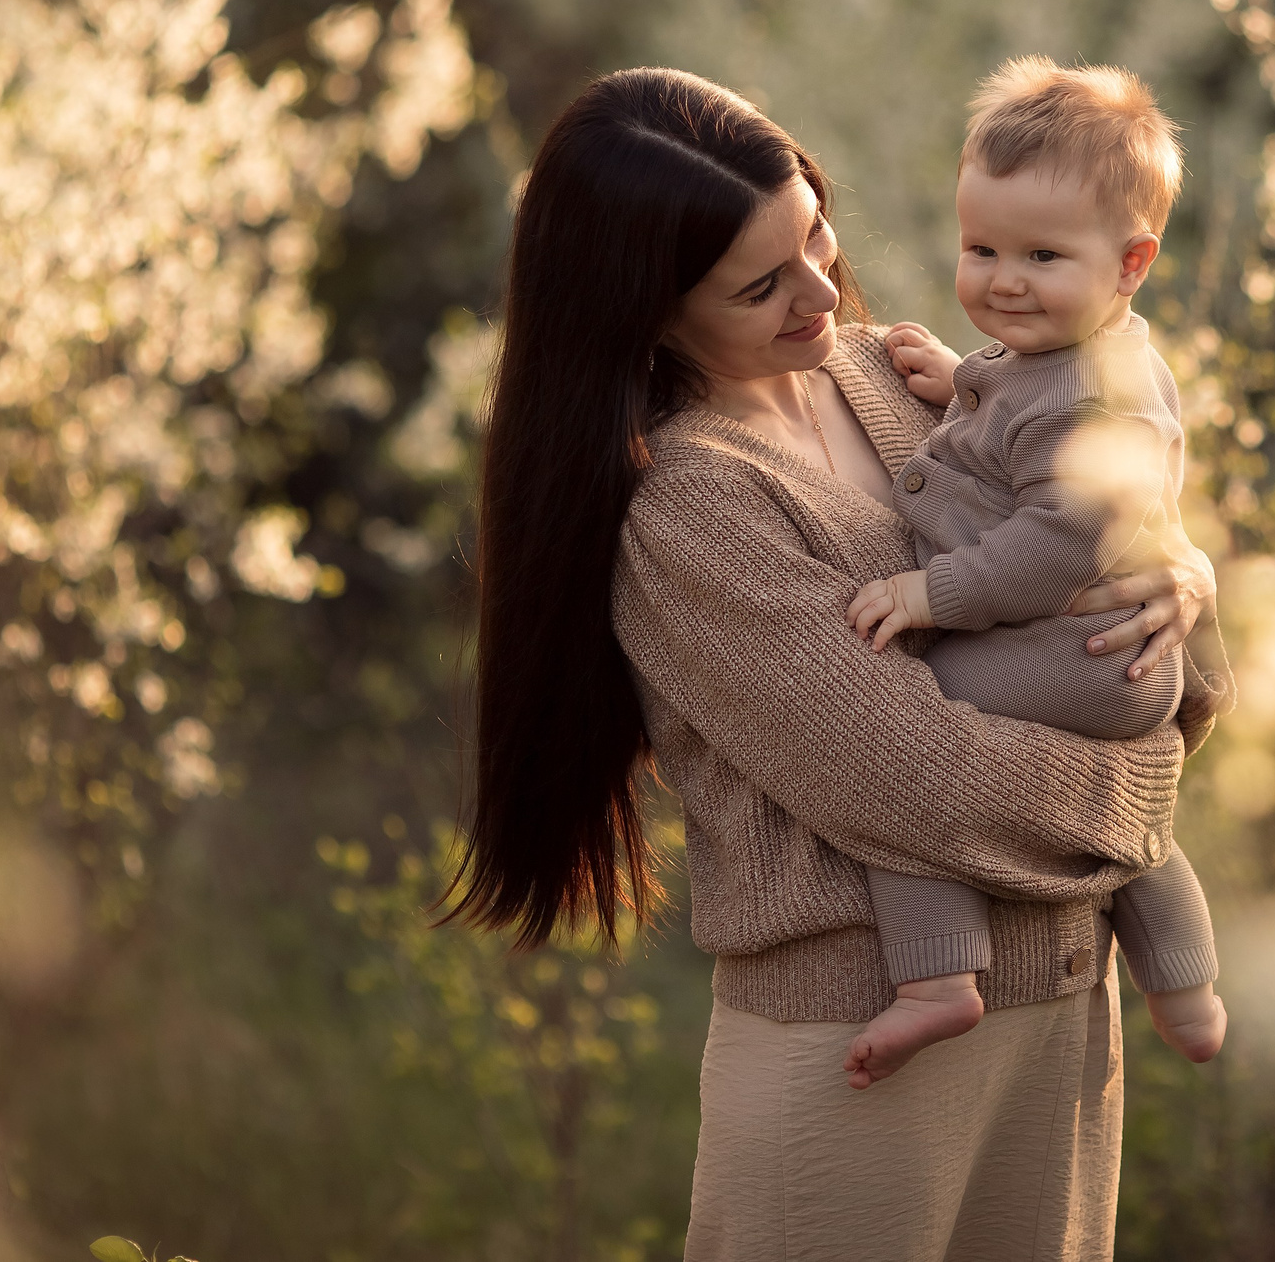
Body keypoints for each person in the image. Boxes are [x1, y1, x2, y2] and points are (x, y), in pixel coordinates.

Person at [445, 67, 1231, 1262]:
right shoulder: (691, 507)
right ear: (642, 311)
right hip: (857, 1056)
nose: (820, 293)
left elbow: (1144, 647)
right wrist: (1139, 796)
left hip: (1065, 1016)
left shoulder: (901, 382)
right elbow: (917, 780)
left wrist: (1183, 580)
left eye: (816, 232)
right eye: (760, 285)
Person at [841, 58, 1227, 1089]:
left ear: (1131, 263)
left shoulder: (1100, 400)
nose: (1002, 281)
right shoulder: (1066, 358)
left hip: (1078, 649)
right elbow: (1021, 407)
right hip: (1100, 659)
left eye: (1041, 256)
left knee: (896, 744)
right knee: (1132, 824)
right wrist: (960, 379)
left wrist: (936, 595)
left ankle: (935, 978)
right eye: (981, 249)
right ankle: (1185, 986)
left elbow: (1059, 542)